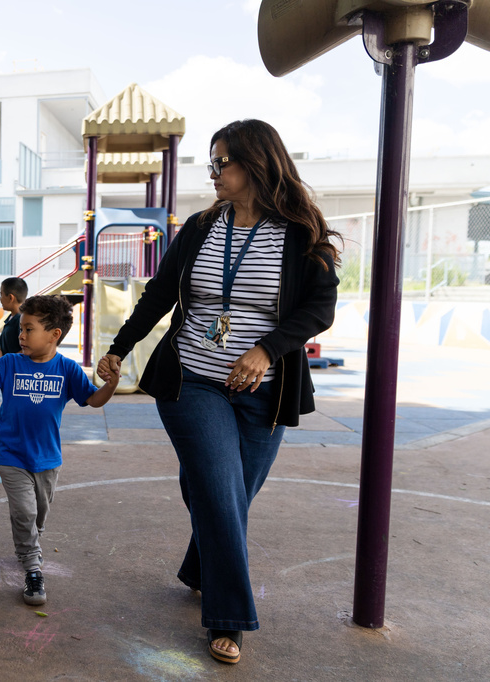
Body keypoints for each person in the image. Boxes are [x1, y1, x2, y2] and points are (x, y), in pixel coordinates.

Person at [97, 119, 341, 665]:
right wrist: (120, 346)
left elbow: (319, 308)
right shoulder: (204, 227)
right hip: (191, 381)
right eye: (211, 163)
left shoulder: (300, 233)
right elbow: (161, 292)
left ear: (256, 163)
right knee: (218, 487)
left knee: (227, 494)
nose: (213, 173)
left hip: (266, 392)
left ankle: (198, 568)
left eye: (221, 162)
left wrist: (266, 349)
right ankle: (229, 617)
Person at [0, 295, 118, 607]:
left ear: (54, 335)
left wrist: (112, 384)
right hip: (11, 455)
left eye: (28, 329)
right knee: (24, 511)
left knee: (37, 515)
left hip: (48, 459)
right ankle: (33, 569)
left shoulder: (67, 368)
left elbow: (93, 400)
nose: (21, 335)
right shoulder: (11, 362)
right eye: (21, 329)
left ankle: (28, 541)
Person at [0, 276, 27, 358]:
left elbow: (26, 350)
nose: (0, 299)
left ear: (10, 297)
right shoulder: (11, 318)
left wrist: (6, 360)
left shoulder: (22, 320)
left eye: (1, 294)